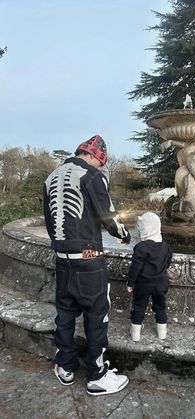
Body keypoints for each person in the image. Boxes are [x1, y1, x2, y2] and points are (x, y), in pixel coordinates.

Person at [43, 134, 131, 395]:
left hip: (62, 260)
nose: (100, 167)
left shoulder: (50, 178)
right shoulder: (92, 176)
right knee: (96, 315)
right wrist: (124, 235)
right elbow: (109, 217)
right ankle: (97, 376)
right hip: (89, 262)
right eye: (101, 163)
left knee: (65, 314)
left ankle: (65, 366)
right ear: (95, 156)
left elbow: (49, 220)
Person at [127, 212, 172, 342]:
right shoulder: (166, 247)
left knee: (139, 305)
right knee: (160, 306)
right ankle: (162, 332)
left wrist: (130, 283)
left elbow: (135, 268)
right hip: (161, 282)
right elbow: (167, 263)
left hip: (144, 283)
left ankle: (135, 333)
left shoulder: (141, 247)